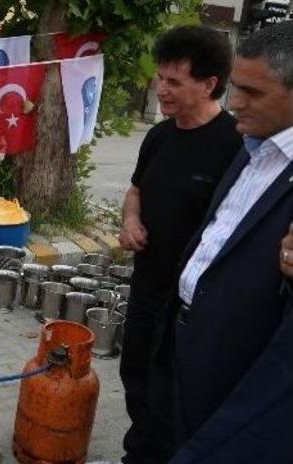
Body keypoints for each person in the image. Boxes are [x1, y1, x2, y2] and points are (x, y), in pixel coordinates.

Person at [162, 20, 293, 462]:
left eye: (253, 94)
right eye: (236, 88)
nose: (235, 105)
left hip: (244, 364)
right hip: (190, 339)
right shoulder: (253, 146)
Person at [116, 26, 241, 464]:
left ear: (209, 85)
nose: (160, 90)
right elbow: (136, 191)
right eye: (160, 78)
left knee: (175, 397)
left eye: (174, 82)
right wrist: (130, 221)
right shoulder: (159, 136)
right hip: (148, 287)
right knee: (135, 378)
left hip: (194, 306)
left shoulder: (235, 146)